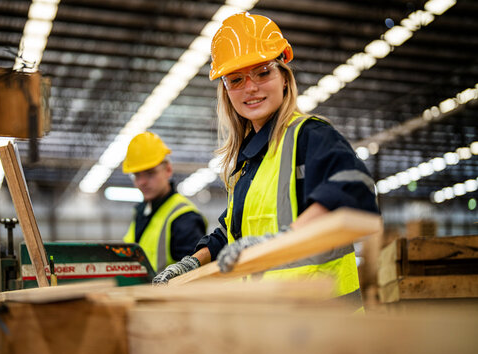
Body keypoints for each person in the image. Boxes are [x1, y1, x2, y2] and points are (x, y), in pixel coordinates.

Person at [152, 12, 379, 311]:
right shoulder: (247, 162)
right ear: (226, 92)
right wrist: (192, 262)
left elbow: (355, 189)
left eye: (262, 72)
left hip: (326, 329)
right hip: (271, 327)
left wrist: (282, 241)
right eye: (236, 79)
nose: (251, 87)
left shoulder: (310, 136)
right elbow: (231, 234)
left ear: (284, 77)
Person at [122, 131, 207, 273]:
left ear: (168, 170)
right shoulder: (141, 212)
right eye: (137, 175)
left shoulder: (185, 218)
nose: (141, 182)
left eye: (150, 173)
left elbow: (194, 277)